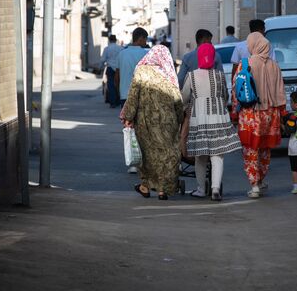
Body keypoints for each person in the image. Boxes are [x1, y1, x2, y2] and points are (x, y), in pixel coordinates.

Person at [120, 45, 184, 200]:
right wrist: (180, 119)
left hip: (145, 122)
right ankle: (163, 190)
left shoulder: (142, 71)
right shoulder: (168, 73)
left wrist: (127, 116)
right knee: (167, 154)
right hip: (168, 123)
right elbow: (177, 100)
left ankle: (145, 186)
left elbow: (133, 96)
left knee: (147, 155)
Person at [181, 43, 241, 201]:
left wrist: (187, 107)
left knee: (200, 156)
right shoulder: (220, 75)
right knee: (217, 155)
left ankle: (201, 189)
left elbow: (184, 97)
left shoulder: (192, 76)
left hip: (199, 118)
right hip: (218, 116)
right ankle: (215, 188)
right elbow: (225, 96)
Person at [232, 32, 286, 198]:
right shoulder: (274, 65)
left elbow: (237, 90)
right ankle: (261, 180)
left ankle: (254, 184)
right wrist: (283, 111)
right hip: (270, 113)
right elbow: (280, 90)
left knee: (250, 149)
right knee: (264, 149)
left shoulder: (245, 64)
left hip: (250, 113)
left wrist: (235, 112)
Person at [115, 27, 150, 173]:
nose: (146, 42)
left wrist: (119, 91)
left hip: (125, 96)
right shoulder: (146, 53)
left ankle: (134, 163)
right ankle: (144, 161)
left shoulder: (122, 54)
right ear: (140, 38)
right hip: (142, 96)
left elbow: (117, 76)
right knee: (144, 129)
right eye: (145, 39)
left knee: (129, 129)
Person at [100, 35, 122, 108]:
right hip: (118, 69)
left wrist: (101, 67)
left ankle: (112, 102)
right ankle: (118, 101)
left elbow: (103, 59)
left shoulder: (107, 49)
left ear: (109, 40)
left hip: (110, 68)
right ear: (116, 40)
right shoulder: (120, 48)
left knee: (111, 85)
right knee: (118, 84)